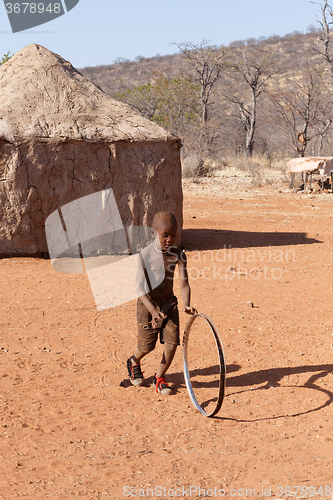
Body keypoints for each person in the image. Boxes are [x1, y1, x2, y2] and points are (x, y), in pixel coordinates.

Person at [127, 211, 197, 395]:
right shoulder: (145, 255)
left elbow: (183, 284)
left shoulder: (179, 255)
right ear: (153, 233)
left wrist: (186, 303)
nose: (169, 239)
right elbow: (139, 288)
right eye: (165, 235)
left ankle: (158, 378)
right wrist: (152, 311)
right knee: (146, 346)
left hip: (169, 304)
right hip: (148, 304)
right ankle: (134, 361)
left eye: (173, 235)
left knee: (172, 344)